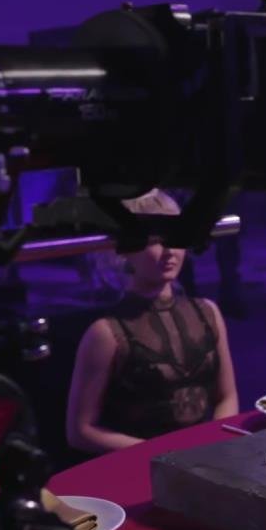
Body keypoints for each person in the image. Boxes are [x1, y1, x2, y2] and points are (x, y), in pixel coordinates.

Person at [66, 190, 238, 454]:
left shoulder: (208, 313)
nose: (169, 250)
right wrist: (162, 454)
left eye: (177, 236)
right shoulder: (105, 333)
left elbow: (227, 396)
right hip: (142, 467)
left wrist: (214, 446)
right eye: (154, 240)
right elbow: (80, 431)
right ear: (124, 249)